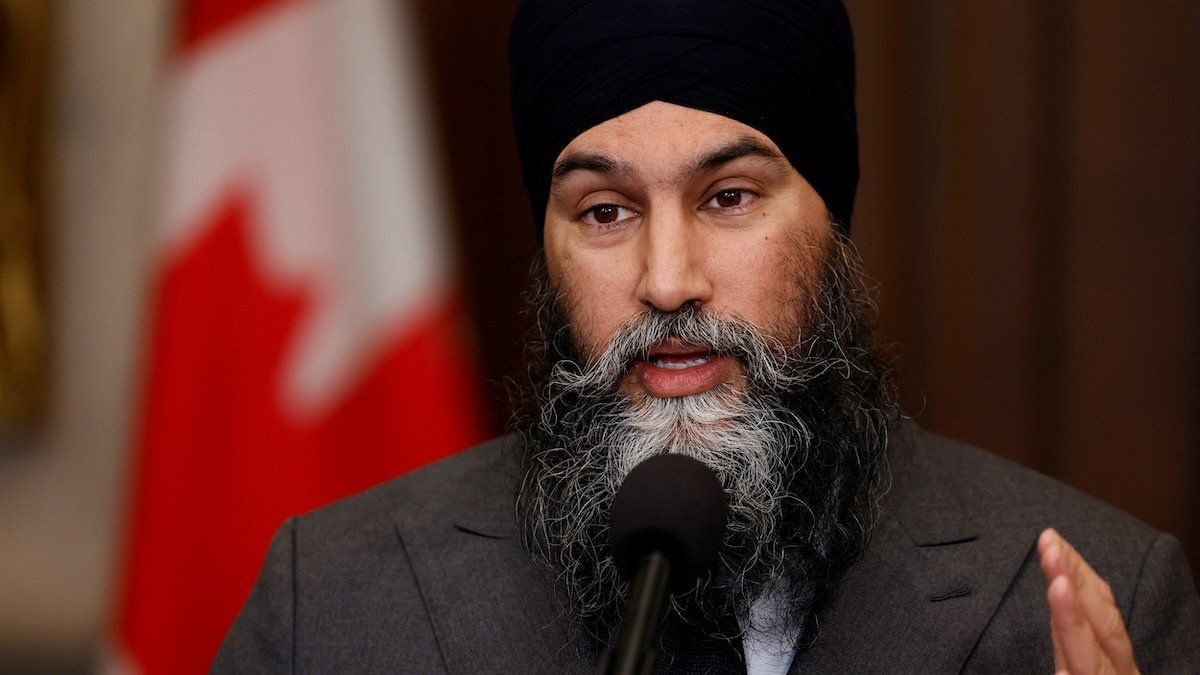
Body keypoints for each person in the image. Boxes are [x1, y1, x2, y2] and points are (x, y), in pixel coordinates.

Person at [212, 0, 1200, 672]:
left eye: (729, 197)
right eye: (605, 212)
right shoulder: (335, 602)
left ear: (832, 226)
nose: (667, 279)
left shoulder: (1086, 595)